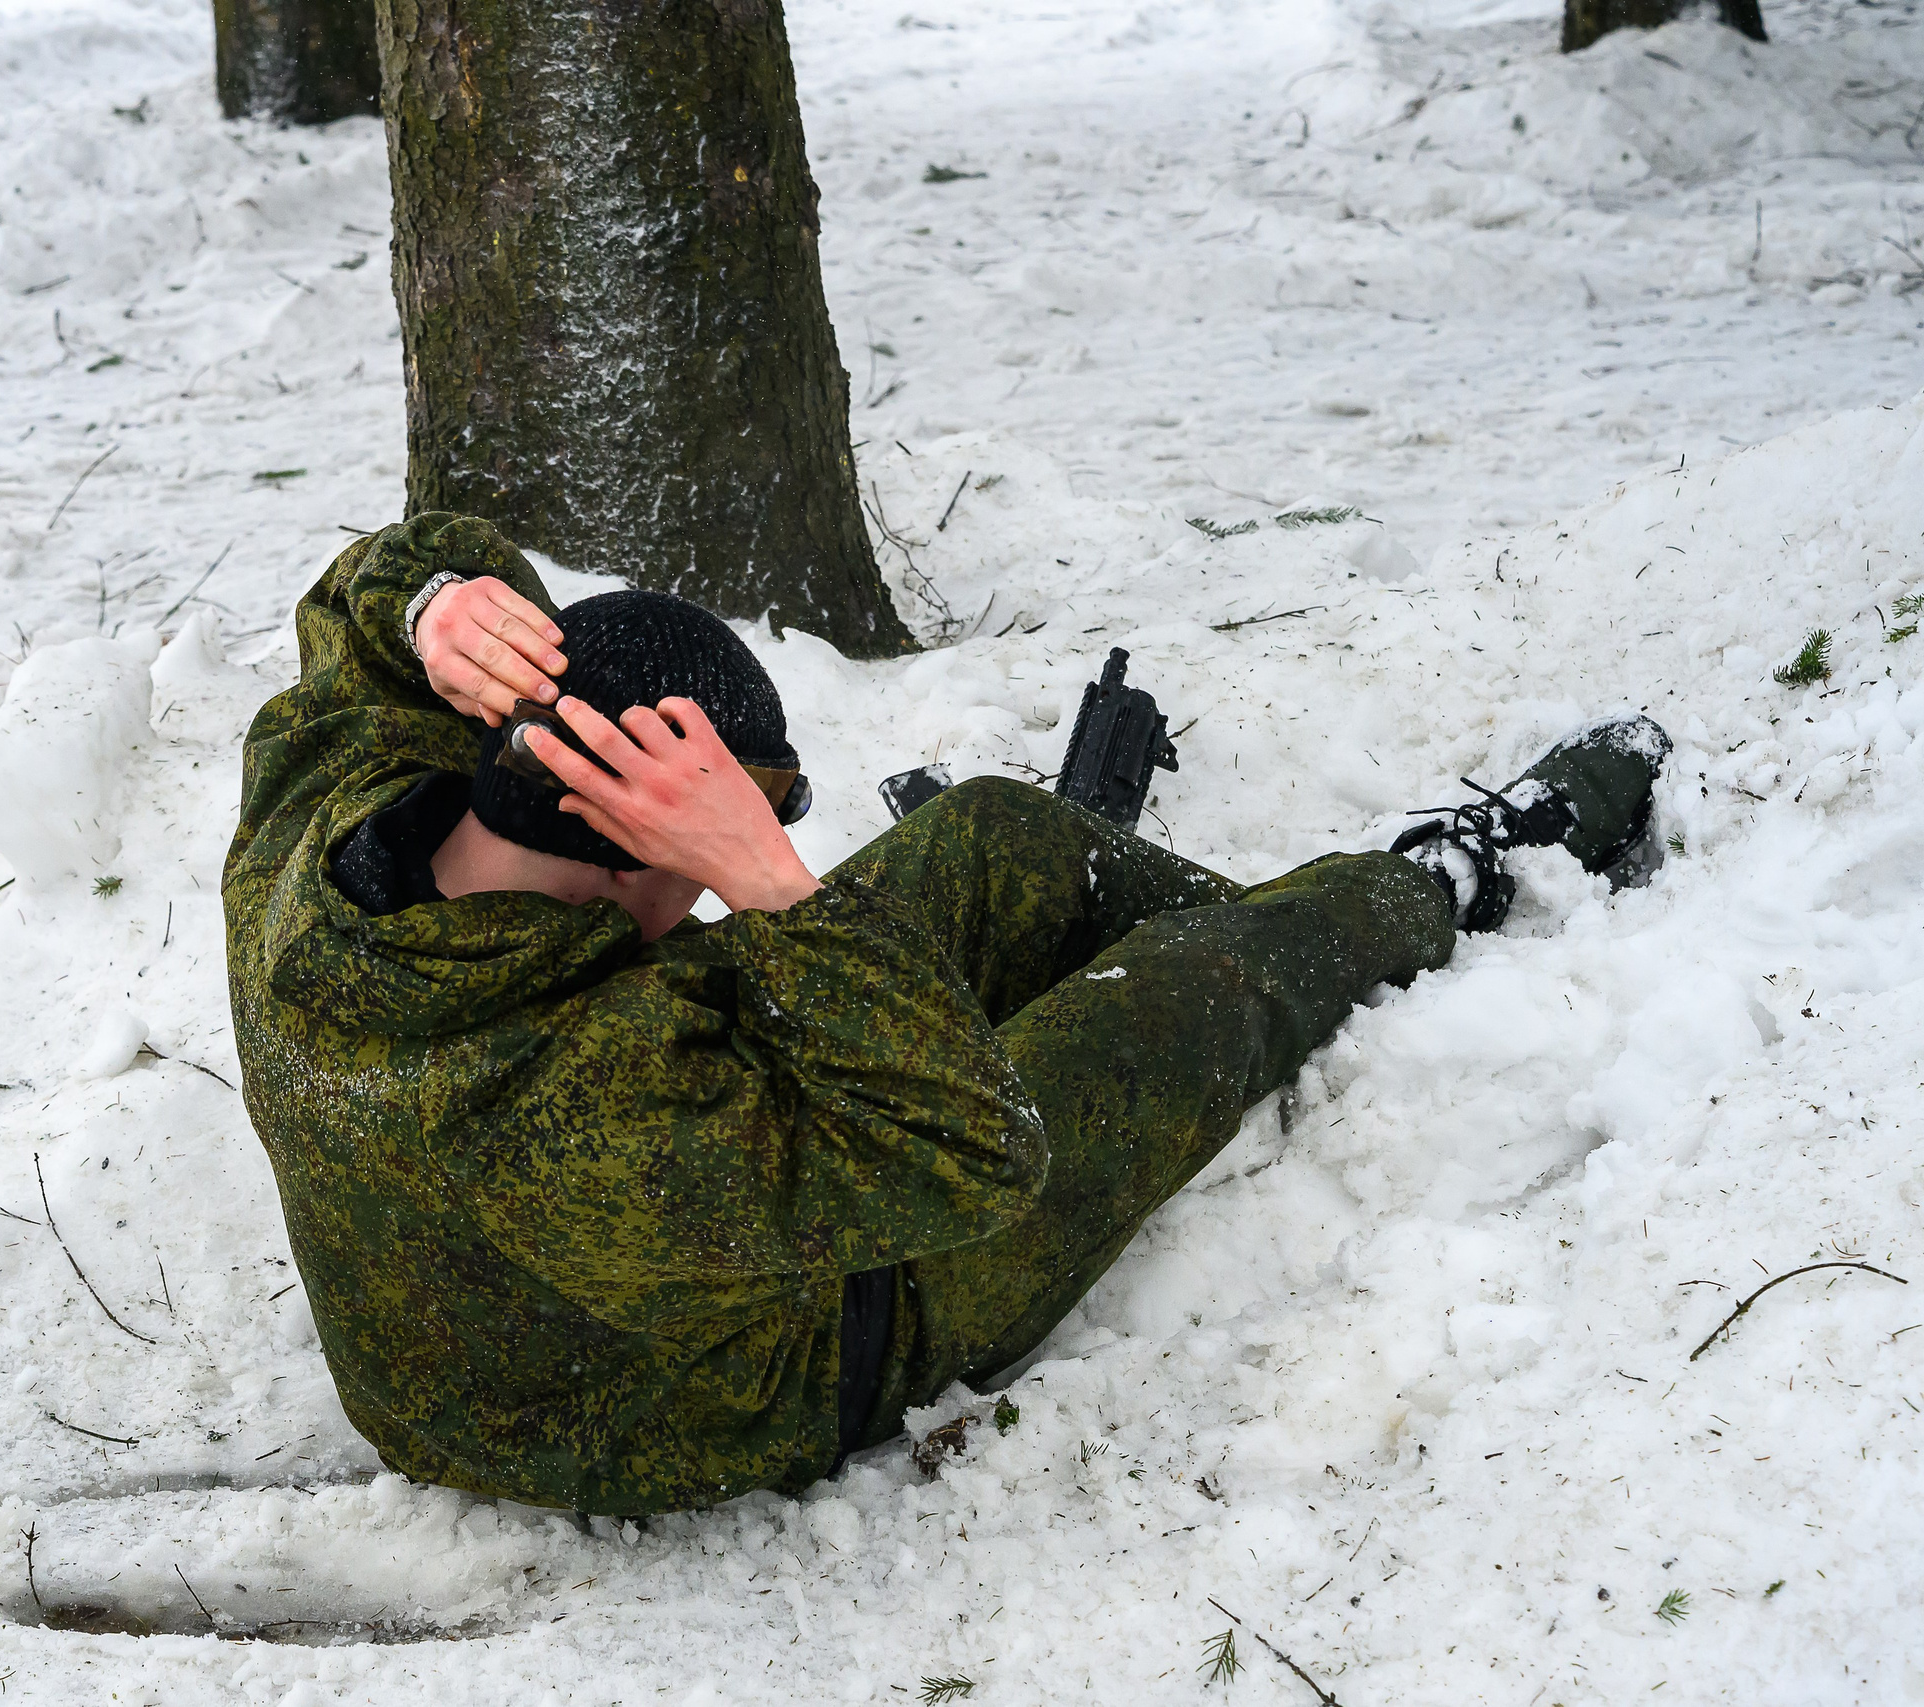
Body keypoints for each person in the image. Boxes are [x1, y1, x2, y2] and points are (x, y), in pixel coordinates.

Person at [221, 513, 1666, 1515]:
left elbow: (374, 601)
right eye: (729, 822)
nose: (755, 841)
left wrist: (439, 602)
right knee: (1190, 999)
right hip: (677, 1394)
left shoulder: (328, 814)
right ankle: (1442, 886)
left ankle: (1284, 944)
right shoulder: (586, 1113)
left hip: (565, 1275)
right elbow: (974, 1151)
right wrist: (779, 898)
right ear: (641, 835)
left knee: (1001, 841)